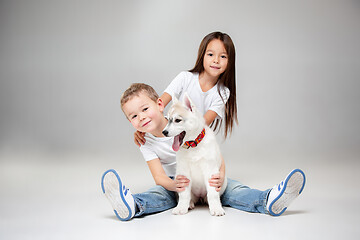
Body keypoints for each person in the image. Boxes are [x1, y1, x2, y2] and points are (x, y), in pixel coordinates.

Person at [101, 83, 306, 221]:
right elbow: (158, 177)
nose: (142, 117)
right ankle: (133, 205)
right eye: (134, 116)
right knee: (159, 194)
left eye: (145, 109)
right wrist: (176, 186)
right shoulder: (145, 141)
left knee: (234, 190)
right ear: (130, 122)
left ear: (160, 105)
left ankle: (268, 199)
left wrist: (221, 177)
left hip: (208, 175)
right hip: (178, 183)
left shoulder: (186, 124)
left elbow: (216, 157)